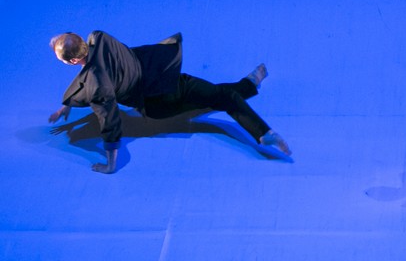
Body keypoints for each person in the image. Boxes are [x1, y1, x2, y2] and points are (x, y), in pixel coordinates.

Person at [49, 31, 291, 173]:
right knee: (219, 97)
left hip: (159, 97)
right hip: (163, 78)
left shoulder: (97, 85)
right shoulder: (99, 37)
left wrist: (110, 164)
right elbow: (90, 84)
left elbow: (108, 120)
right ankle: (252, 99)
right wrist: (67, 104)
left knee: (218, 97)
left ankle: (257, 115)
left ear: (72, 62)